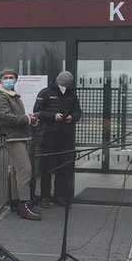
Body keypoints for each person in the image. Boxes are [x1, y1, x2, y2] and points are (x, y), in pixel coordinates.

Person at [0, 68, 41, 221]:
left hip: (19, 136)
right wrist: (27, 119)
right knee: (25, 170)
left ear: (16, 79)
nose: (8, 80)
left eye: (11, 77)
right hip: (13, 138)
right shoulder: (1, 97)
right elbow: (6, 118)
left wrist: (28, 118)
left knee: (16, 171)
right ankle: (24, 203)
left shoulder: (12, 95)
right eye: (5, 77)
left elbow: (14, 116)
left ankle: (16, 201)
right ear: (0, 80)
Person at [33, 70, 82, 206]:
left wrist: (72, 117)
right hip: (49, 135)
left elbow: (78, 111)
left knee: (63, 167)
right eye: (63, 85)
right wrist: (53, 116)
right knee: (46, 167)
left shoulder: (72, 94)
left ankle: (59, 196)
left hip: (66, 136)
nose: (65, 88)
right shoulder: (45, 93)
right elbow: (37, 112)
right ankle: (45, 196)